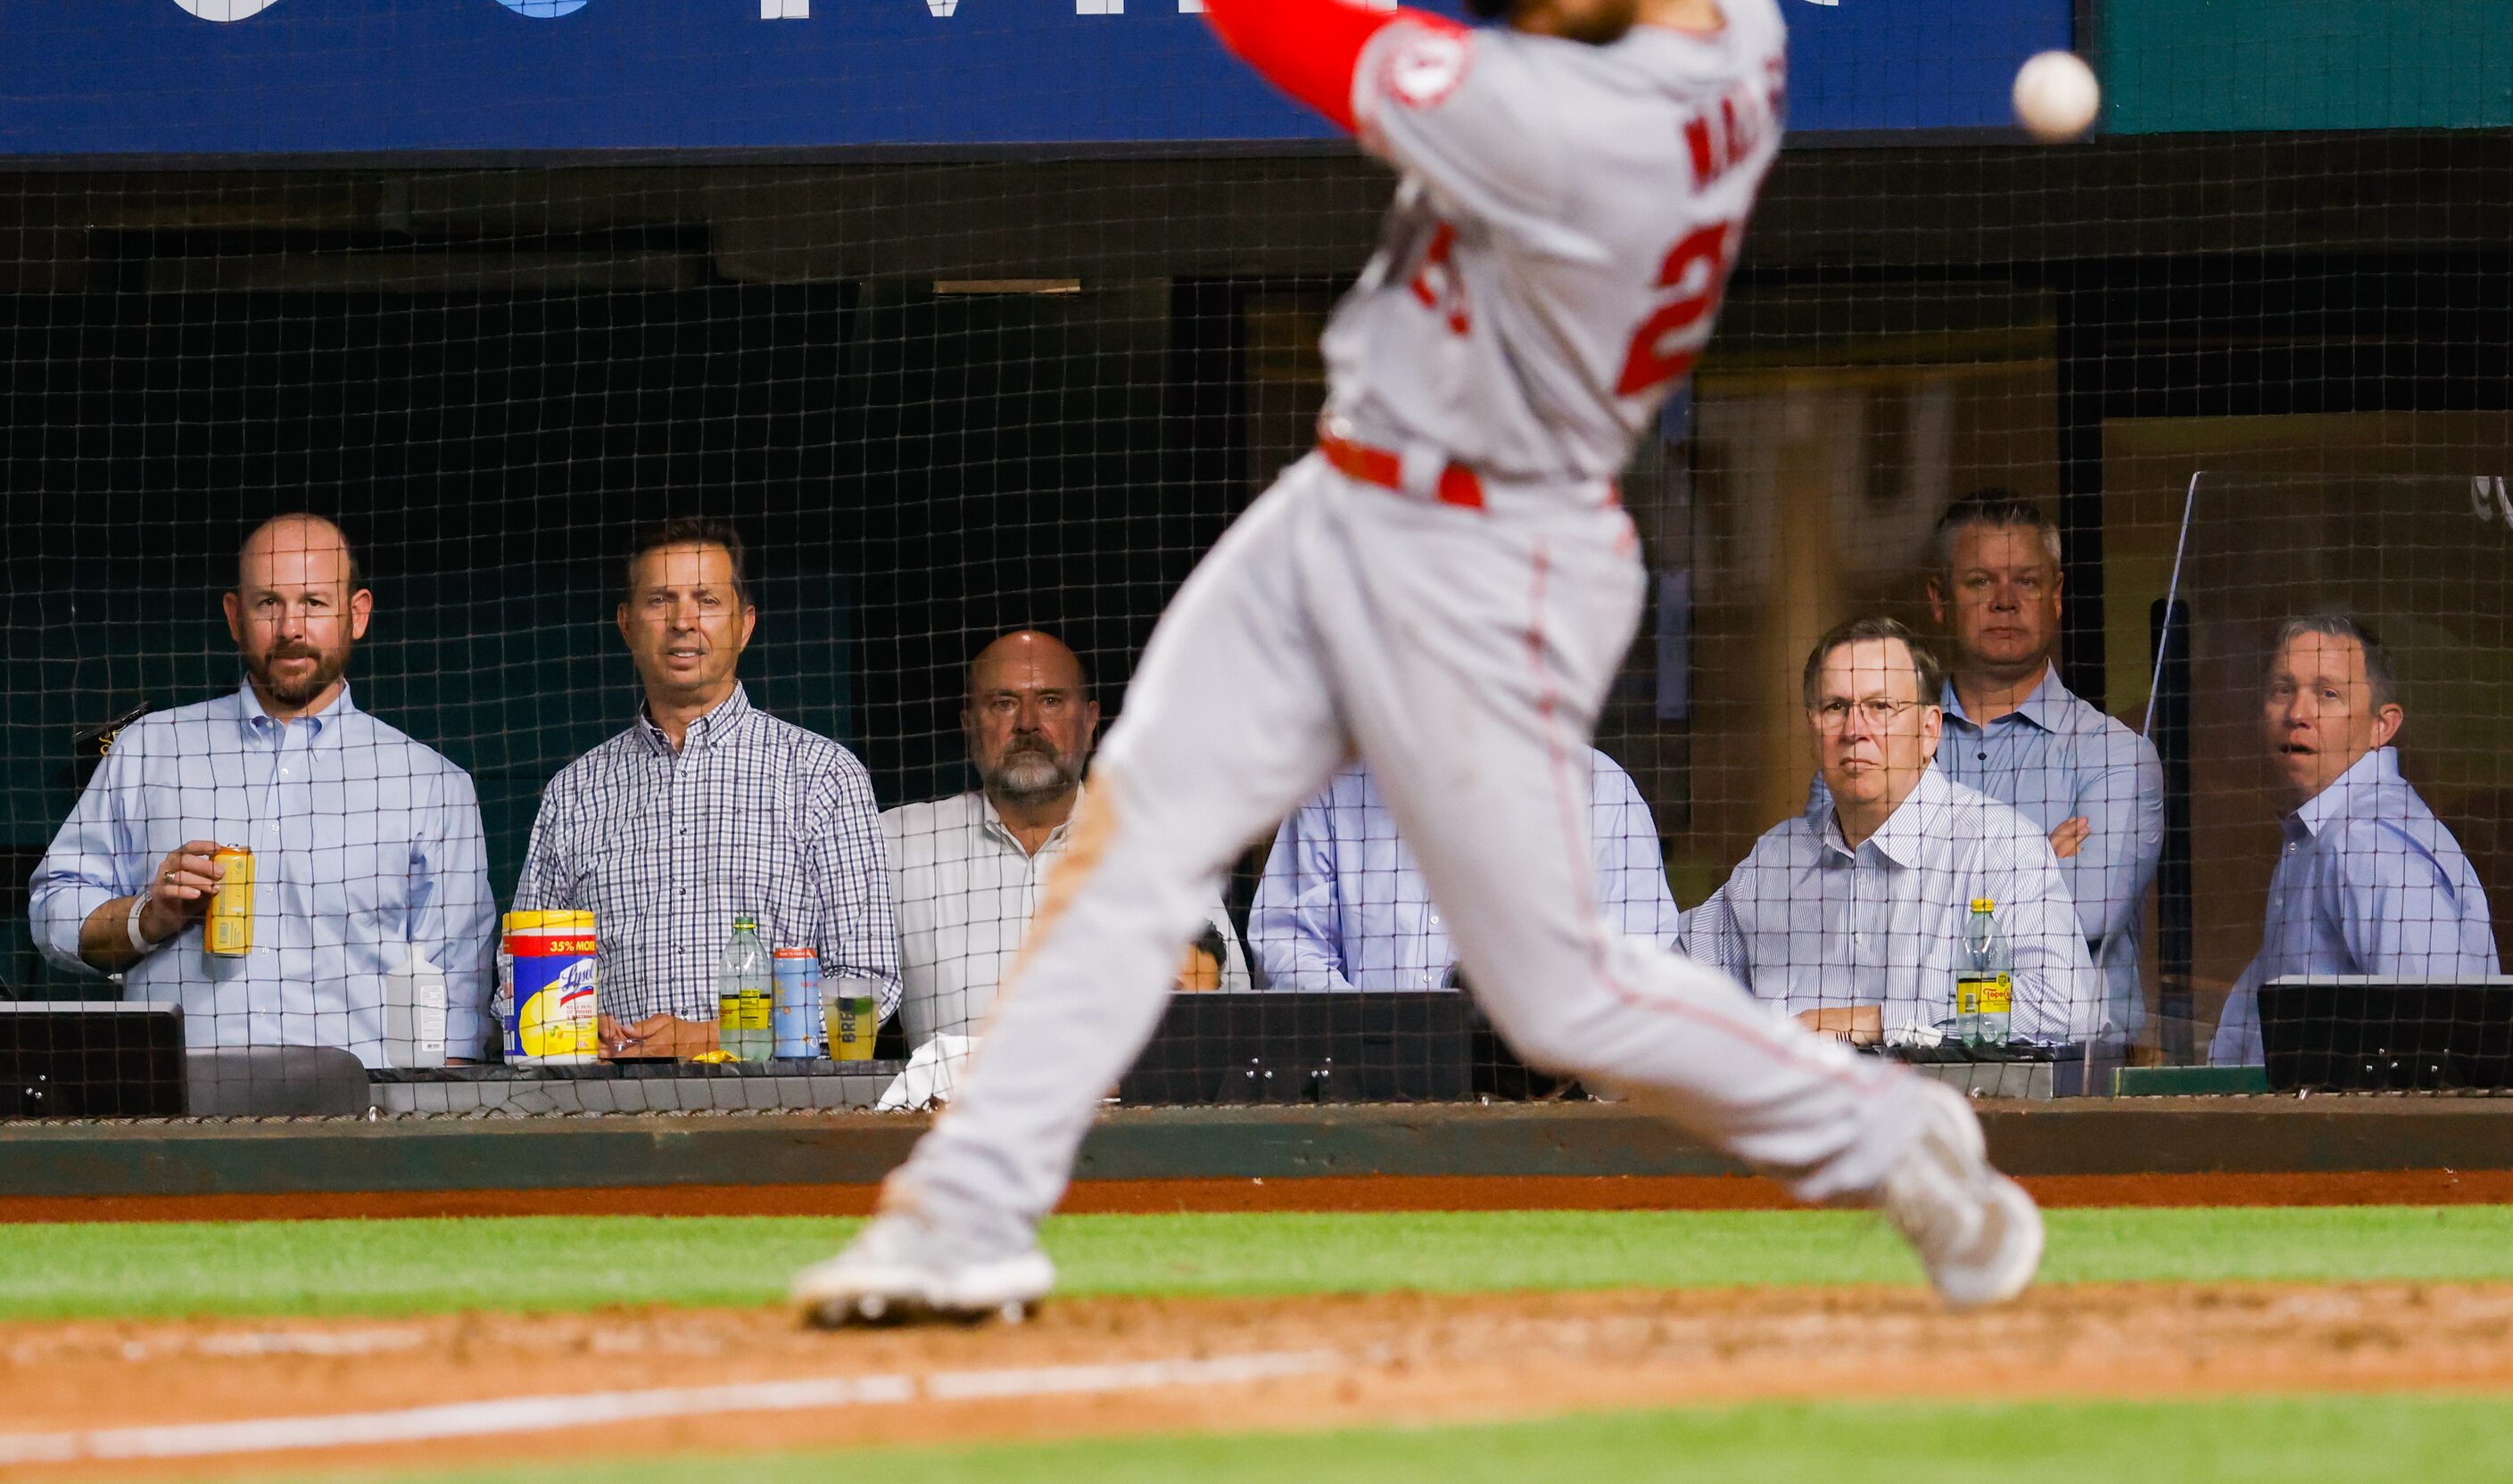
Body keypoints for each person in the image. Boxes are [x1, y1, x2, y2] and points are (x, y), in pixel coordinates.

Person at [793, 0, 2045, 1325]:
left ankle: (1885, 1133)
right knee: (1134, 831)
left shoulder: (1579, 125)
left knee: (1563, 997)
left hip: (1486, 558)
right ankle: (968, 1214)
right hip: (1348, 494)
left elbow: (1292, 30)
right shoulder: (1731, 30)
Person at [29, 514, 496, 1066]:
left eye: (315, 603)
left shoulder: (430, 784)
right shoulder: (151, 750)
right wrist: (148, 917)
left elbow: (455, 997)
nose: (291, 628)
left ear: (358, 614)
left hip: (364, 1125)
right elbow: (50, 911)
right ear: (234, 616)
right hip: (181, 1120)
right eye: (268, 603)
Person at [514, 517, 897, 1059]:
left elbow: (868, 987)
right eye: (660, 601)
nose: (683, 622)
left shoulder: (822, 776)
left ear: (745, 624)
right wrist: (569, 1026)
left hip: (781, 1115)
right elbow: (521, 973)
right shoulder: (574, 792)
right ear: (626, 624)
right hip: (612, 1114)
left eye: (707, 600)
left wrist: (706, 1039)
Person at [1684, 618, 2101, 1046]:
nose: (1853, 730)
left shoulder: (1999, 849)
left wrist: (1879, 1022)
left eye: (1880, 707)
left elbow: (2065, 1008)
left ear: (1929, 730)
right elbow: (1671, 974)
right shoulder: (1775, 859)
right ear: (1813, 728)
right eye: (1835, 707)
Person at [883, 630, 1249, 1051]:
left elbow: (1227, 1010)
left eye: (1051, 701)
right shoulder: (900, 845)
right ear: (969, 724)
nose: (1027, 724)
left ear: (1091, 722)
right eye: (1004, 703)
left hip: (1124, 1114)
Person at [1925, 491, 2162, 1041]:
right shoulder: (1876, 752)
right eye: (1980, 581)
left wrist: (1927, 883)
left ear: (2056, 596)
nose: (2005, 601)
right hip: (1909, 1072)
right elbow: (1849, 925)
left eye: (2027, 582)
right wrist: (2033, 865)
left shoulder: (2117, 756)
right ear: (1939, 598)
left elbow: (2085, 918)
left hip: (2076, 1081)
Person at [2211, 614, 2498, 1066]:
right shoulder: (2316, 834)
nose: (2297, 714)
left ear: (2381, 726)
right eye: (2283, 690)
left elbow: (2439, 1053)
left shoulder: (2369, 845)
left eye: (2328, 694)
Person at [1249, 750, 1681, 990]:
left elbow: (1642, 968)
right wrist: (1371, 1033)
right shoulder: (1336, 787)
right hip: (1367, 1107)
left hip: (1546, 1109)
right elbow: (1287, 943)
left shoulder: (1599, 794)